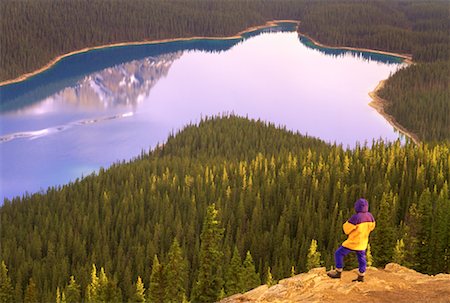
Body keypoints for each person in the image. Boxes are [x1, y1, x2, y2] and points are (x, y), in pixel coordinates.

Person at [327, 198, 376, 282]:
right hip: (363, 242)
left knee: (338, 253)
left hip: (353, 242)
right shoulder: (370, 216)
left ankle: (338, 272)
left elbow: (346, 229)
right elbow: (372, 227)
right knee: (362, 258)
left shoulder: (356, 217)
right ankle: (361, 276)